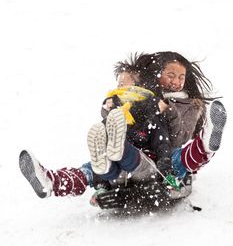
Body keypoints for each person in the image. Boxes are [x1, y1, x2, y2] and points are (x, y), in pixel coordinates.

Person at [19, 52, 227, 210]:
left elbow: (179, 137)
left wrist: (167, 109)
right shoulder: (143, 95)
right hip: (130, 155)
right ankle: (52, 182)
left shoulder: (191, 105)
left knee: (181, 157)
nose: (176, 81)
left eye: (181, 77)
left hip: (164, 161)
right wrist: (110, 106)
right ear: (156, 74)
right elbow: (120, 118)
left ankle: (207, 142)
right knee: (92, 167)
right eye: (170, 75)